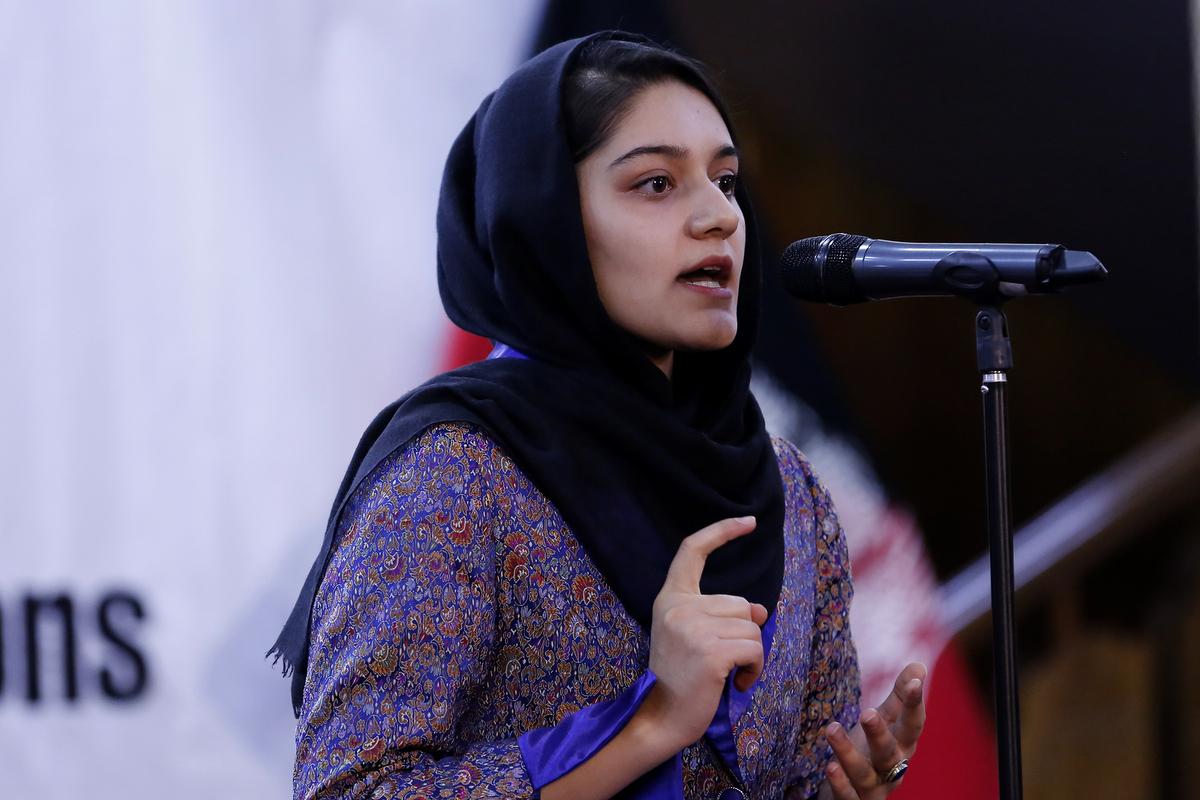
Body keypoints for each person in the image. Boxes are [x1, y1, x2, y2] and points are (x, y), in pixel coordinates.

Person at [270, 30, 926, 800]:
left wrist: (846, 791)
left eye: (725, 181)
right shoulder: (455, 474)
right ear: (543, 217)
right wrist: (649, 720)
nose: (718, 216)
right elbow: (351, 789)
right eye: (657, 183)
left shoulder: (791, 490)